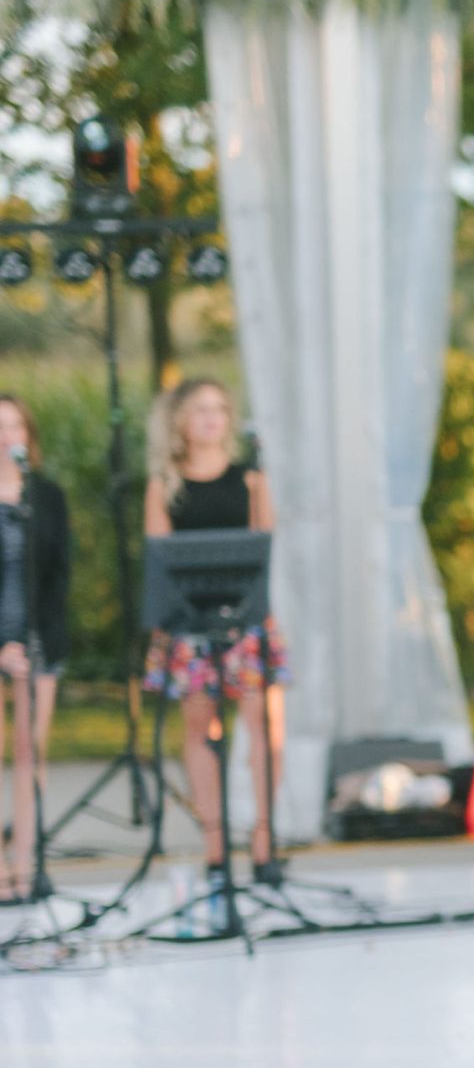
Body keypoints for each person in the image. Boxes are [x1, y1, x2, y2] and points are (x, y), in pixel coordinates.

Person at [143, 377, 289, 884]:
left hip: (245, 620)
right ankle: (214, 845)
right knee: (200, 730)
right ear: (181, 421)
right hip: (190, 625)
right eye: (200, 409)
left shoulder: (250, 479)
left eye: (219, 409)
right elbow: (160, 558)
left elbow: (264, 545)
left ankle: (264, 840)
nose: (211, 419)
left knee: (264, 725)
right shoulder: (165, 485)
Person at [0, 394, 71, 904]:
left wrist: (31, 643)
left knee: (30, 751)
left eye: (14, 426)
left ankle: (25, 862)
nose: (6, 436)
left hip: (38, 643)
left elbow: (58, 576)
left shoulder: (46, 496)